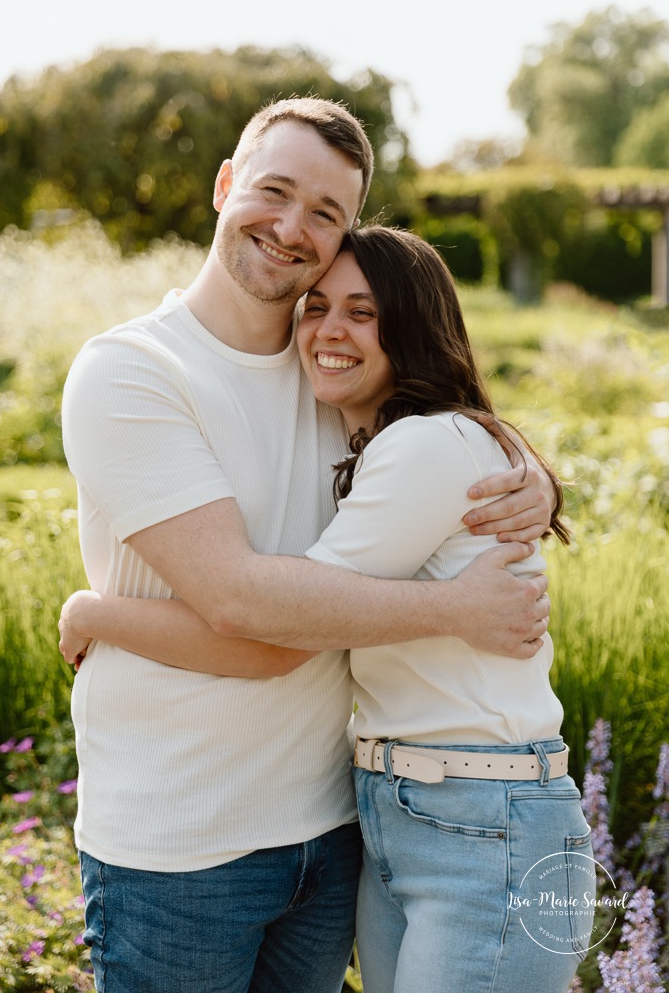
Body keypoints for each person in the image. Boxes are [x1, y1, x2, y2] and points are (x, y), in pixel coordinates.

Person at [60, 99, 558, 993]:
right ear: (224, 187)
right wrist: (453, 610)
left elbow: (438, 430)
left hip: (334, 833)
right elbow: (250, 616)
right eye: (273, 192)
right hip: (182, 850)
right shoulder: (132, 370)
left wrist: (534, 476)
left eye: (325, 214)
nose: (292, 227)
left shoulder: (330, 366)